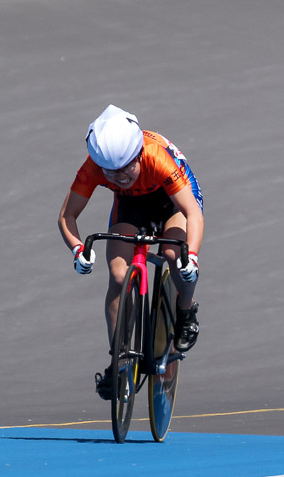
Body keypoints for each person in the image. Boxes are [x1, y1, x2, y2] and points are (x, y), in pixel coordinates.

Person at [58, 104, 205, 400]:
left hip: (173, 202)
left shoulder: (157, 158)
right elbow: (66, 216)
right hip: (132, 206)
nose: (120, 176)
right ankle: (119, 360)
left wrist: (194, 256)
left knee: (175, 256)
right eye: (111, 172)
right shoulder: (93, 167)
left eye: (126, 167)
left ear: (138, 154)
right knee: (116, 274)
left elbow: (192, 213)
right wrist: (77, 249)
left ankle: (186, 311)